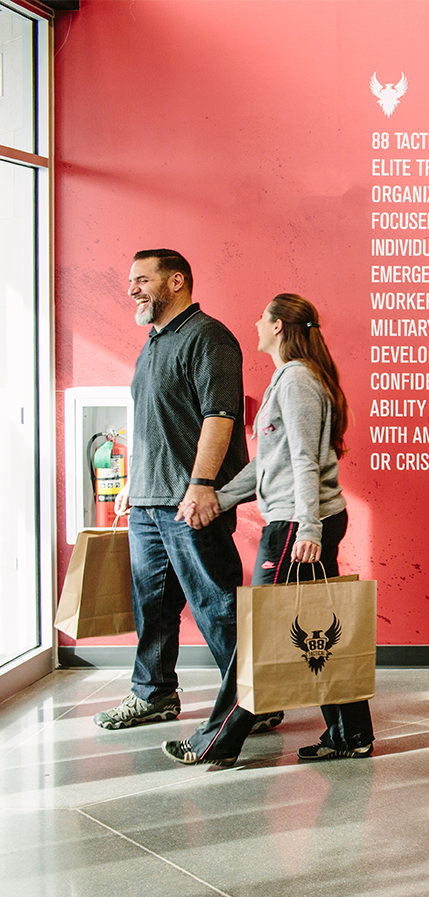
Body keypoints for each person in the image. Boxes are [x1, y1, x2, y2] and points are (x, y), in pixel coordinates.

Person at [163, 293, 373, 765]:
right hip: (302, 520)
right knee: (322, 631)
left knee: (261, 634)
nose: (255, 322)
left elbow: (304, 460)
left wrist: (308, 529)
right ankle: (351, 735)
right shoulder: (290, 377)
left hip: (297, 524)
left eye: (262, 317)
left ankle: (216, 741)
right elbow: (268, 463)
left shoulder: (297, 379)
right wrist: (219, 499)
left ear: (278, 326)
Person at [94, 250, 249, 731]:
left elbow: (220, 417)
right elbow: (154, 424)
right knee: (152, 607)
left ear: (176, 281)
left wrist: (201, 485)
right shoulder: (153, 342)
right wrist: (135, 481)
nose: (131, 290)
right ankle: (154, 694)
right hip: (149, 500)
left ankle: (253, 700)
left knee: (218, 606)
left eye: (142, 280)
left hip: (189, 501)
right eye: (131, 281)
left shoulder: (209, 337)